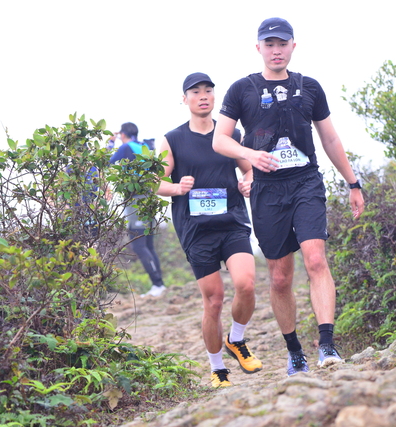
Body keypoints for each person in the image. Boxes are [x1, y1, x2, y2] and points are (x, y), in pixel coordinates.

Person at [213, 18, 365, 376]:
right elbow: (220, 140)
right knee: (280, 277)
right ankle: (295, 352)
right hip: (267, 190)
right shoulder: (241, 89)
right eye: (269, 44)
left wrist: (353, 183)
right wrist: (250, 156)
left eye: (282, 43)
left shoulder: (309, 87)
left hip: (305, 183)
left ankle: (327, 344)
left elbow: (330, 138)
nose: (276, 50)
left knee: (315, 259)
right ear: (259, 48)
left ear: (293, 46)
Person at [156, 72, 261, 388]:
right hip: (196, 229)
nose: (203, 96)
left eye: (208, 91)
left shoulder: (230, 134)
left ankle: (236, 339)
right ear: (185, 99)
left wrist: (249, 183)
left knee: (246, 283)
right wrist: (177, 188)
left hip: (232, 221)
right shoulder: (172, 139)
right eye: (195, 92)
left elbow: (249, 169)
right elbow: (154, 182)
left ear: (214, 97)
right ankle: (218, 369)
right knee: (214, 301)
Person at [109, 122, 166, 297]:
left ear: (122, 134)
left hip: (136, 200)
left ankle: (158, 284)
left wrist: (111, 142)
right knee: (148, 245)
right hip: (149, 199)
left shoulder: (126, 147)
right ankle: (159, 285)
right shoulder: (144, 147)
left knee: (139, 245)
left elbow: (107, 163)